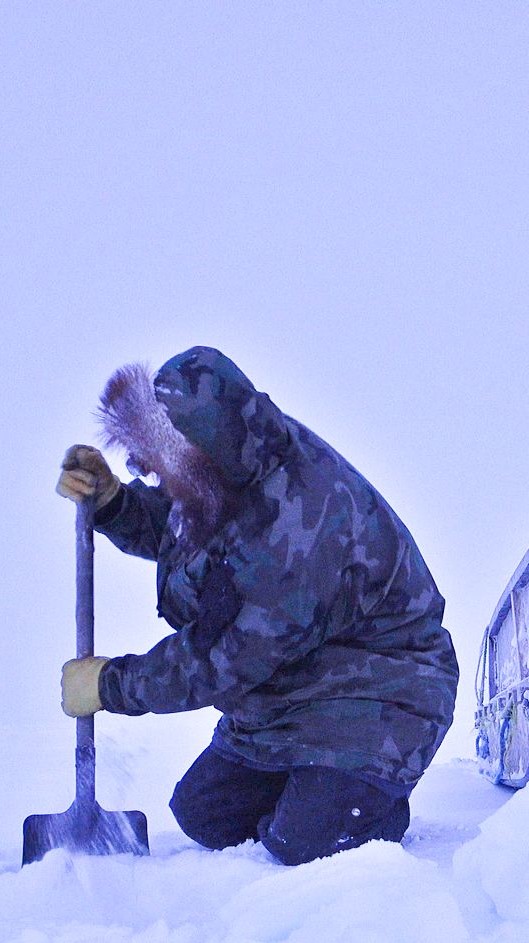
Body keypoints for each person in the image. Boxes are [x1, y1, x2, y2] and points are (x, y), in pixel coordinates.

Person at [54, 347, 458, 865]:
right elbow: (192, 540)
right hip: (293, 690)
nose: (148, 471)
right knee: (204, 815)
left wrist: (110, 684)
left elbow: (225, 657)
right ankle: (320, 786)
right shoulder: (231, 462)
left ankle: (367, 801)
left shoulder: (303, 521)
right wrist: (116, 504)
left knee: (303, 843)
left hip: (383, 691)